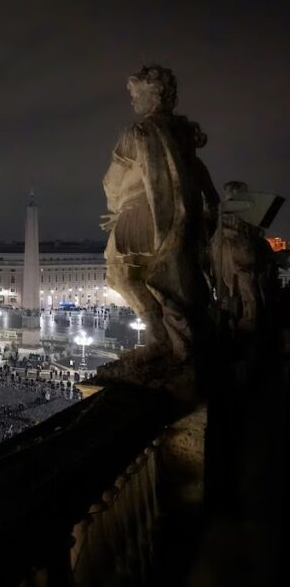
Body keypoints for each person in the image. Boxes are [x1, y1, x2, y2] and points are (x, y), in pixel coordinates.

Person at [100, 65, 219, 363]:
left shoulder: (137, 133)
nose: (132, 101)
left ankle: (157, 335)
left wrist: (116, 208)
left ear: (152, 94)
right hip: (182, 220)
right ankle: (176, 336)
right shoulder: (184, 136)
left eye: (135, 93)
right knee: (165, 275)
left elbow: (111, 181)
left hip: (139, 215)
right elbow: (203, 182)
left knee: (120, 274)